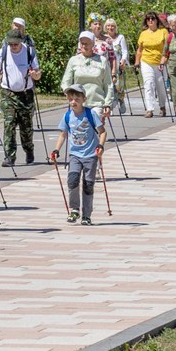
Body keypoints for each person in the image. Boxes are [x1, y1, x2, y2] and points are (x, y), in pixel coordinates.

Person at [56, 34, 114, 224]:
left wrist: (108, 103)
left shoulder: (102, 61)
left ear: (93, 44)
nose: (84, 45)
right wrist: (70, 96)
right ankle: (74, 209)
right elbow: (65, 81)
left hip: (95, 102)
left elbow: (108, 84)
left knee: (93, 129)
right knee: (73, 179)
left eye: (87, 43)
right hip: (77, 102)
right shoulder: (74, 60)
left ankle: (92, 162)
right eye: (81, 43)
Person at [0, 18, 40, 166]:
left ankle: (29, 150)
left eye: (16, 44)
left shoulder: (29, 51)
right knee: (9, 125)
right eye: (11, 44)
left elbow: (38, 72)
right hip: (8, 93)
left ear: (21, 42)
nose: (13, 46)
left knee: (26, 128)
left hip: (25, 94)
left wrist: (35, 75)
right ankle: (10, 156)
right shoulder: (3, 52)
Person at [137, 13, 172, 117]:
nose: (150, 21)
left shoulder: (163, 32)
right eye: (148, 19)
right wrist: (136, 62)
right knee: (149, 84)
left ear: (157, 20)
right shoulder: (143, 34)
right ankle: (149, 109)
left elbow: (167, 48)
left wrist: (165, 59)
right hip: (146, 61)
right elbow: (140, 50)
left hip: (160, 62)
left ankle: (162, 106)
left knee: (161, 85)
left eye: (152, 18)